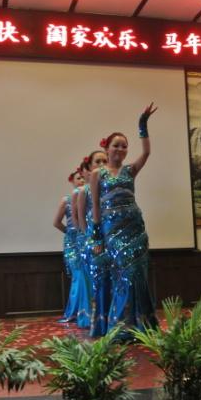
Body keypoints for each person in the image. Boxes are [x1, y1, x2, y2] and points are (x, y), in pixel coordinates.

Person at [90, 103, 159, 336]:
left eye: (124, 146)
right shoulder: (97, 174)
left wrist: (143, 124)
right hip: (112, 231)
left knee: (138, 275)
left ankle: (141, 326)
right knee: (123, 275)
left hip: (136, 229)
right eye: (116, 145)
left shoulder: (130, 170)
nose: (120, 149)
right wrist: (96, 237)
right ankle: (121, 328)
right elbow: (95, 206)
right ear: (107, 148)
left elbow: (146, 153)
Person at [77, 150, 111, 337]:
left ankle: (114, 322)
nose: (102, 164)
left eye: (105, 160)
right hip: (95, 239)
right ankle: (99, 323)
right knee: (99, 281)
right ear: (90, 167)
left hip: (112, 238)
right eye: (98, 161)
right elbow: (81, 219)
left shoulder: (112, 184)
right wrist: (90, 239)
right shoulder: (85, 190)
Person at [53, 169, 86, 323]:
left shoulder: (91, 197)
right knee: (78, 276)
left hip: (87, 241)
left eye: (83, 178)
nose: (82, 180)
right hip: (72, 243)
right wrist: (70, 232)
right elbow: (56, 222)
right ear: (72, 181)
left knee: (87, 276)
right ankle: (74, 312)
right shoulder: (66, 200)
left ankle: (86, 312)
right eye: (78, 178)